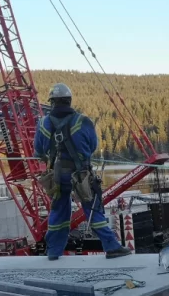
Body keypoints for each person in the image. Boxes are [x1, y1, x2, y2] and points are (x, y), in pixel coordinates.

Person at [34, 83, 131, 261]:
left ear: (52, 102)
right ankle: (111, 247)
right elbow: (92, 146)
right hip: (81, 175)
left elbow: (38, 152)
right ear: (69, 101)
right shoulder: (82, 121)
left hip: (56, 176)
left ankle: (54, 251)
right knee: (92, 210)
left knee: (58, 211)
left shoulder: (43, 124)